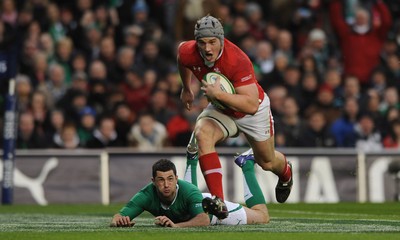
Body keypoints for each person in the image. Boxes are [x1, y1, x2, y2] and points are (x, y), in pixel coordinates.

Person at [177, 15, 293, 219]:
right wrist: (187, 88)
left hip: (251, 110)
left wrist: (218, 95)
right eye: (202, 43)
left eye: (212, 42)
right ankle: (218, 201)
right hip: (222, 109)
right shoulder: (188, 51)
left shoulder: (237, 59)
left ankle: (285, 172)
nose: (207, 48)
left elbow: (249, 105)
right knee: (202, 133)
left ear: (221, 40)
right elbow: (181, 59)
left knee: (266, 162)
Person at [110, 158, 269, 227]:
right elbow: (117, 217)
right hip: (190, 206)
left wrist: (176, 226)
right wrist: (119, 222)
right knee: (188, 197)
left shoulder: (188, 190)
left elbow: (204, 220)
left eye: (170, 179)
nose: (166, 184)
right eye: (161, 180)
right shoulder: (146, 195)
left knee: (262, 216)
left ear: (176, 178)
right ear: (153, 181)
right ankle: (191, 160)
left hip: (210, 212)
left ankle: (247, 164)